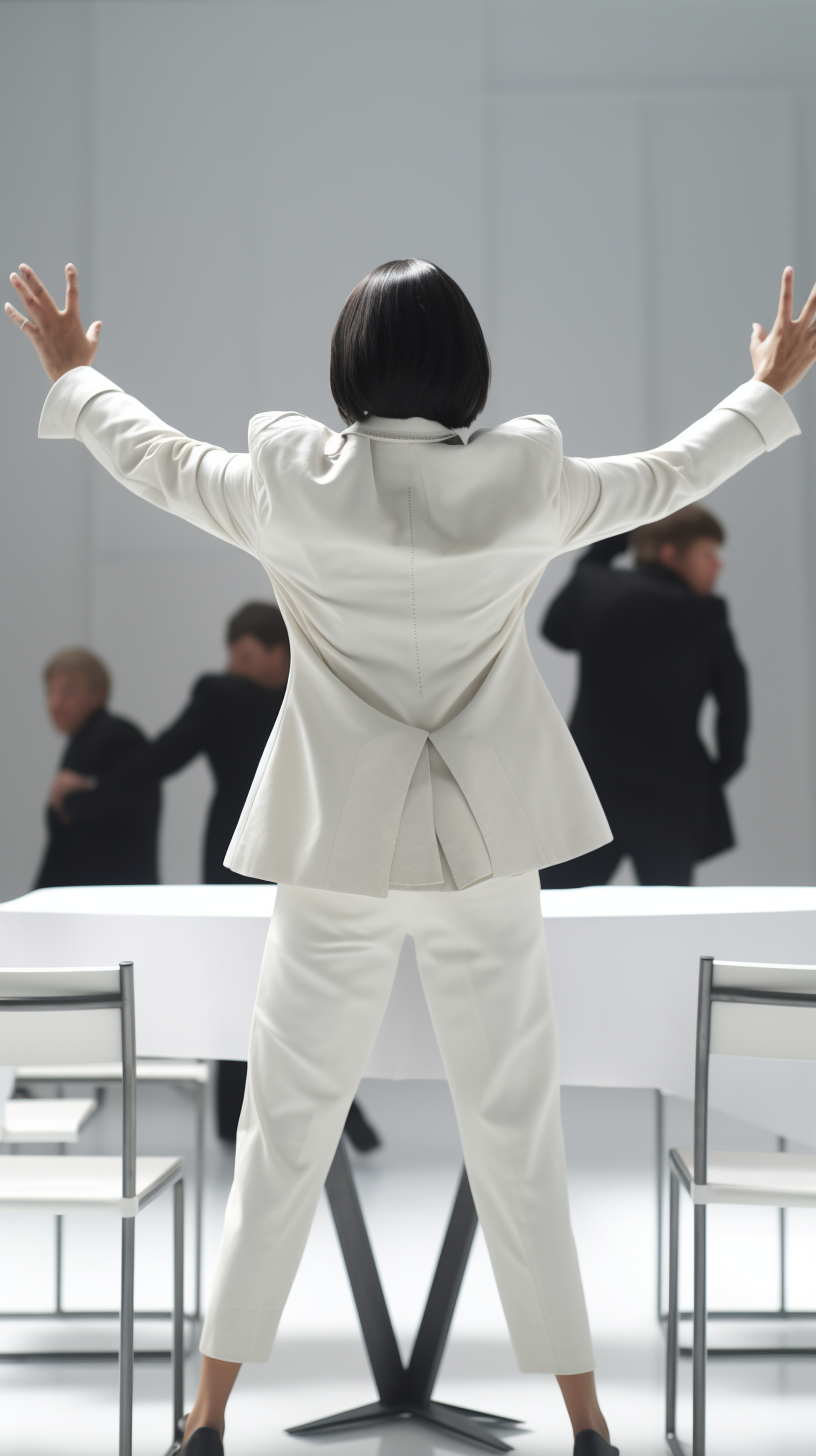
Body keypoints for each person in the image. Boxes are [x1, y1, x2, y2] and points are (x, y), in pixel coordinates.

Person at [7, 255, 814, 1456]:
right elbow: (665, 479)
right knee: (517, 1133)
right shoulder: (523, 481)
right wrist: (763, 391)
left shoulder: (292, 483)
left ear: (349, 369)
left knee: (284, 1129)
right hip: (485, 850)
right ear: (464, 364)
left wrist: (76, 378)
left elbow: (161, 462)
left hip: (336, 849)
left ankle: (207, 1413)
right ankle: (590, 1421)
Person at [52, 603, 380, 1150]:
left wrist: (85, 800)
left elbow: (160, 759)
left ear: (281, 654)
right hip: (260, 860)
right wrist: (88, 801)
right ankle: (277, 1121)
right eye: (232, 654)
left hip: (283, 856)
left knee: (269, 988)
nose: (233, 665)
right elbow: (159, 759)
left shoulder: (289, 695)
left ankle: (262, 1120)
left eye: (246, 655)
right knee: (267, 987)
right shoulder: (244, 696)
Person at [539, 505, 748, 887]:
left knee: (559, 906)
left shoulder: (596, 587)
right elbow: (734, 700)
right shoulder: (704, 614)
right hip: (671, 792)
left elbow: (556, 632)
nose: (718, 566)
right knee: (668, 921)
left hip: (591, 787)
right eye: (707, 554)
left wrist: (616, 538)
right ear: (671, 554)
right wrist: (720, 769)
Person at [35, 647, 159, 887]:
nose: (55, 703)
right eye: (51, 692)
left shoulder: (115, 736)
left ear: (98, 695)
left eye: (68, 692)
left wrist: (75, 795)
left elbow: (118, 802)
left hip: (109, 896)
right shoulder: (85, 738)